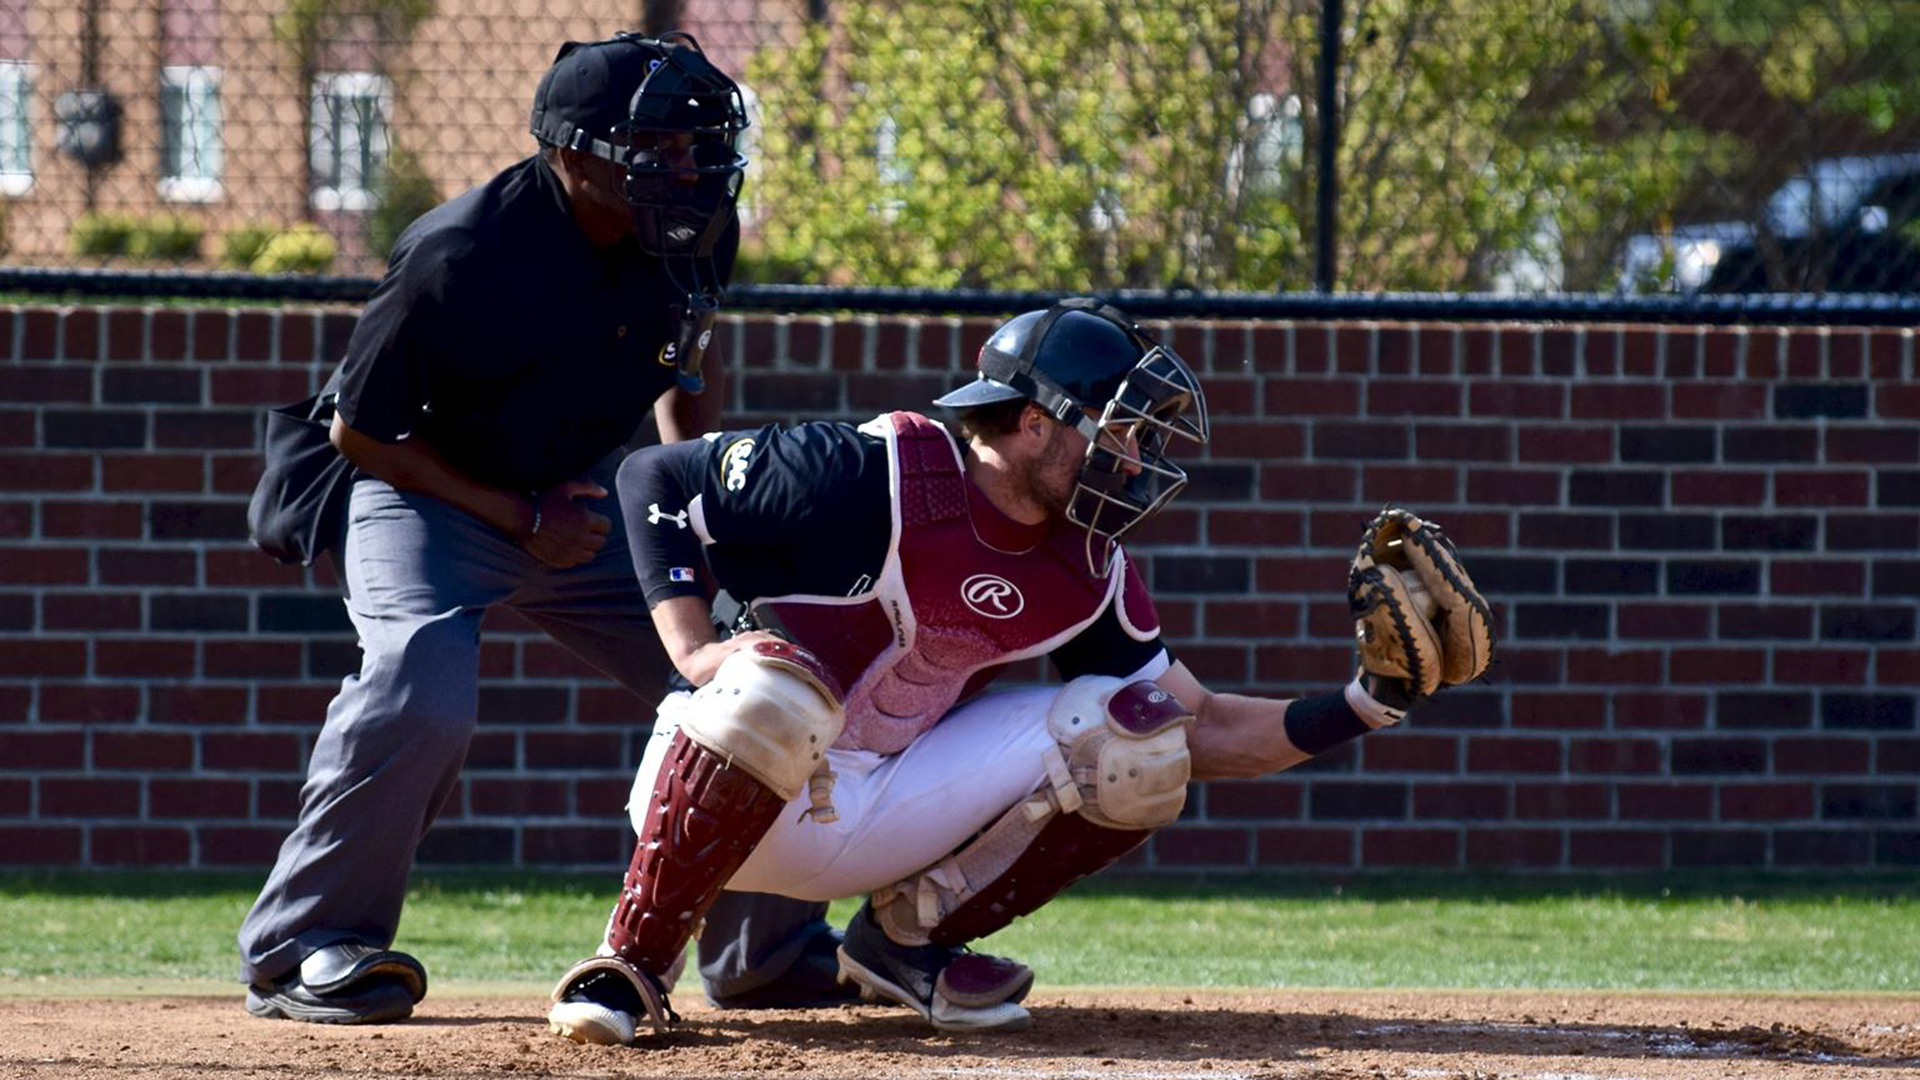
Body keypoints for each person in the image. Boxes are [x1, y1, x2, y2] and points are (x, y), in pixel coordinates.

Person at [542, 297, 1496, 1045]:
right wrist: (692, 646)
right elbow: (653, 479)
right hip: (727, 770)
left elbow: (1200, 729)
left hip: (881, 804)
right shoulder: (871, 472)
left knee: (1142, 734)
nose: (1136, 458)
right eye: (1118, 431)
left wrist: (1370, 702)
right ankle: (632, 960)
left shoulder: (1089, 566)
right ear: (1038, 423)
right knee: (777, 687)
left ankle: (905, 942)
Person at [237, 30, 783, 1025]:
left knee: (757, 677)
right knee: (420, 685)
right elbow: (363, 431)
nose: (688, 166)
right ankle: (304, 947)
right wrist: (519, 519)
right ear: (573, 155)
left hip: (577, 497)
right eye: (656, 147)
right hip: (424, 487)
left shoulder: (696, 227)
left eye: (696, 145)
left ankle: (767, 949)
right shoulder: (459, 251)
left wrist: (703, 522)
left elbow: (687, 369)